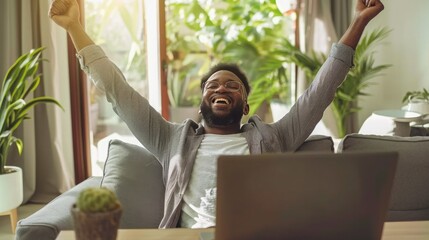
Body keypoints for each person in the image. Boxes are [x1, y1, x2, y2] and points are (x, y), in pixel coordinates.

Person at [49, 0, 384, 228]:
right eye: (213, 85)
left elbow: (320, 91)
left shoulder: (275, 137)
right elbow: (118, 91)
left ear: (246, 106)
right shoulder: (169, 139)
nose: (222, 89)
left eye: (232, 86)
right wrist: (74, 28)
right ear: (201, 103)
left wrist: (358, 22)